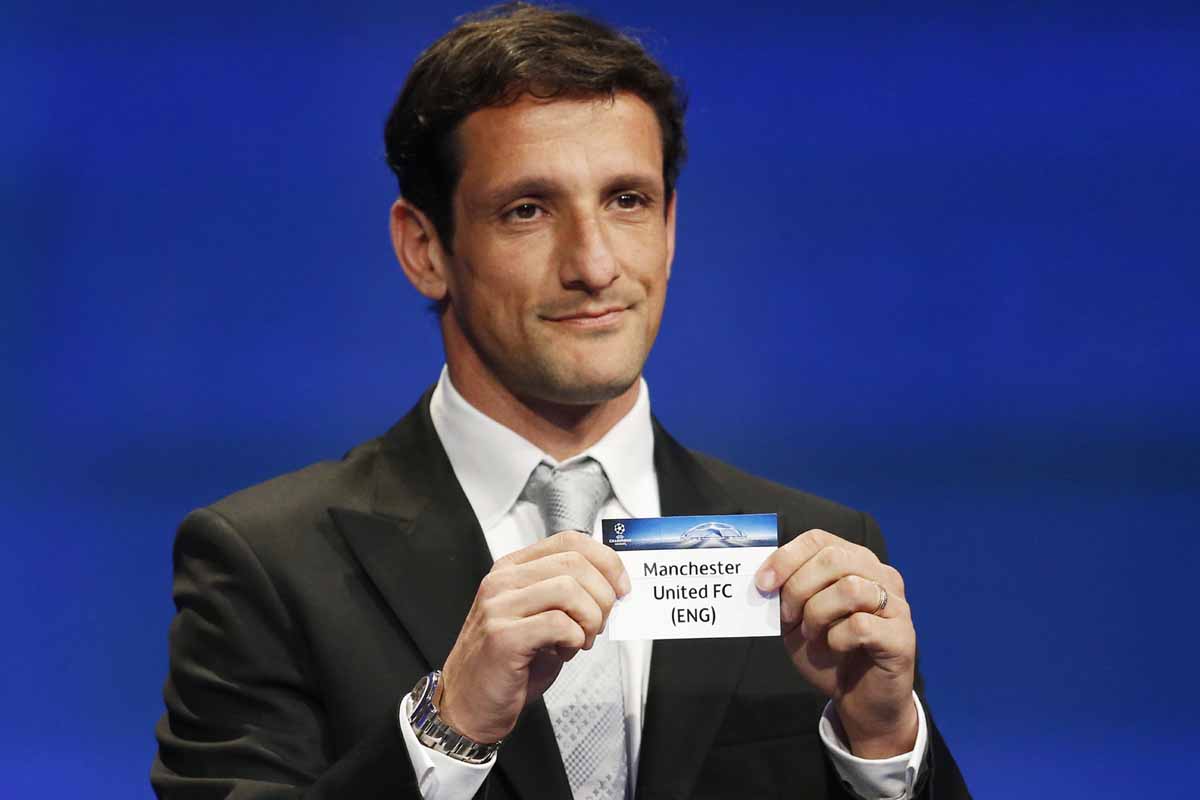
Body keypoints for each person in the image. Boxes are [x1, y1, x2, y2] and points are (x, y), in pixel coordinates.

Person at [152, 4, 969, 798]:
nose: (594, 264)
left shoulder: (813, 555)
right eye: (528, 210)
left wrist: (883, 747)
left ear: (671, 224)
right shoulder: (268, 564)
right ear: (425, 248)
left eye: (626, 201)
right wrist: (450, 726)